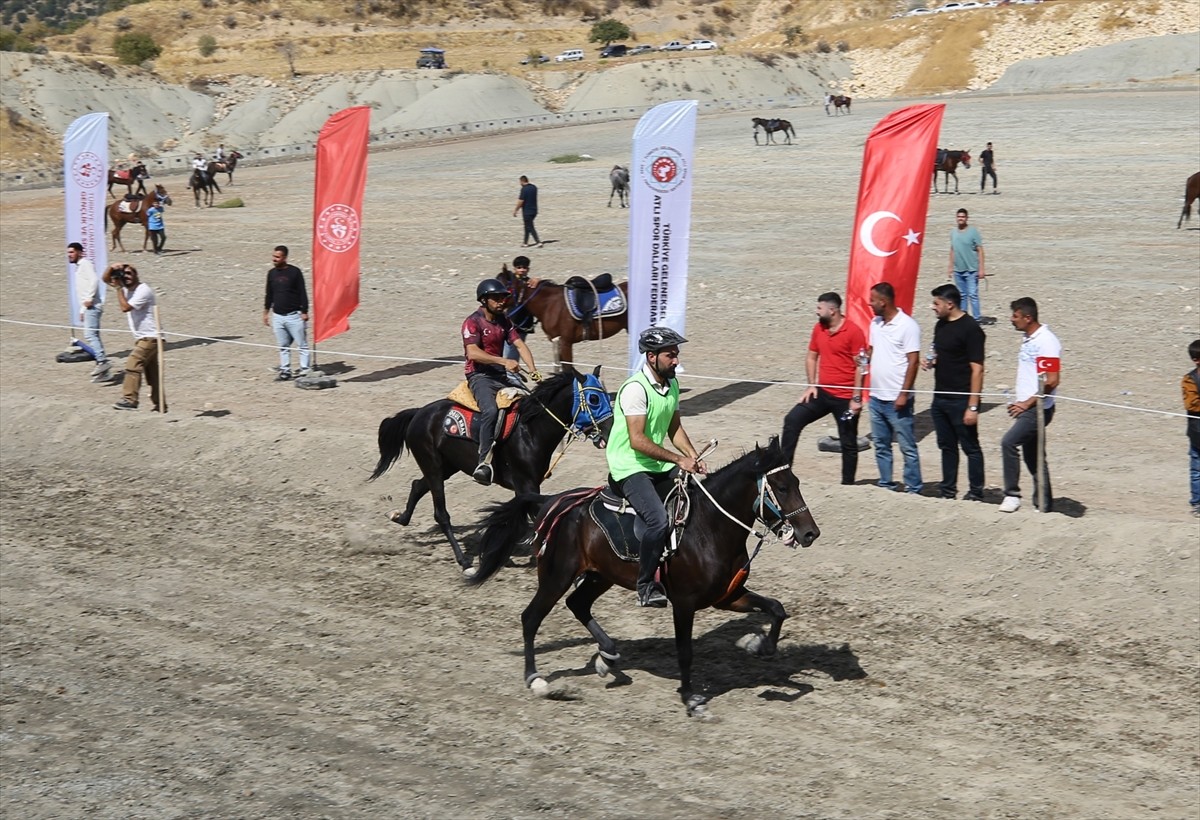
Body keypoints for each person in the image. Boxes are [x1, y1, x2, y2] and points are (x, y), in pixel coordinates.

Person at [606, 327, 707, 607]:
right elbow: (637, 440)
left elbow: (674, 428)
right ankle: (646, 586)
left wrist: (693, 457)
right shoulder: (635, 390)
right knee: (658, 520)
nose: (676, 361)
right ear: (651, 357)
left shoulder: (671, 385)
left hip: (656, 464)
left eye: (676, 355)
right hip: (629, 467)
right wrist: (677, 460)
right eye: (670, 355)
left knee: (699, 495)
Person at [781, 291, 867, 485]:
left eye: (819, 308)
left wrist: (856, 397)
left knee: (848, 441)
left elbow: (861, 366)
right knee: (792, 420)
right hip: (822, 392)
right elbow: (812, 356)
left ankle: (848, 485)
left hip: (845, 397)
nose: (816, 312)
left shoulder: (854, 332)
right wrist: (811, 385)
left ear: (832, 310)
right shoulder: (819, 329)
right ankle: (784, 473)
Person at [462, 278, 540, 486]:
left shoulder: (504, 321)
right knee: (490, 411)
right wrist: (503, 360)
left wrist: (533, 371)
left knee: (530, 405)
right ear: (484, 300)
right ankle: (483, 462)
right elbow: (473, 352)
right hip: (480, 376)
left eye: (503, 298)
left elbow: (520, 345)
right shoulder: (472, 322)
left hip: (500, 375)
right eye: (496, 298)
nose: (501, 302)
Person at [999, 297, 1062, 513]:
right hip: (1028, 406)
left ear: (1028, 317)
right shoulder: (1029, 338)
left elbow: (1052, 380)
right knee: (1034, 456)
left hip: (1037, 409)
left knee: (1008, 443)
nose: (1011, 320)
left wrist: (1026, 403)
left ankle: (1012, 495)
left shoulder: (1046, 341)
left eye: (1015, 316)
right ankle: (1043, 504)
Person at [924, 283, 986, 501]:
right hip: (940, 397)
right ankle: (948, 491)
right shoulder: (940, 325)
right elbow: (940, 350)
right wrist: (932, 361)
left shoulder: (971, 329)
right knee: (947, 447)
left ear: (950, 304)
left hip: (961, 399)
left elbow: (977, 370)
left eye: (936, 303)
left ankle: (976, 493)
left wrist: (973, 406)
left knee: (971, 447)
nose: (933, 307)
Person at [866, 282, 923, 494]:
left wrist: (904, 394)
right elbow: (873, 351)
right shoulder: (875, 323)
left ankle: (914, 488)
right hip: (876, 396)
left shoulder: (908, 326)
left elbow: (913, 361)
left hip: (897, 399)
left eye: (872, 300)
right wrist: (864, 358)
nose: (869, 303)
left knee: (907, 446)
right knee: (881, 445)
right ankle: (886, 485)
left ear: (883, 301)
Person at [104, 262, 164, 412]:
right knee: (153, 375)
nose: (127, 277)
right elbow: (105, 279)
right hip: (143, 337)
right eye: (124, 275)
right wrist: (112, 268)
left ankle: (130, 399)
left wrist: (118, 288)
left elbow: (125, 308)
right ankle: (160, 406)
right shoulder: (126, 288)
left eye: (130, 274)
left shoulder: (143, 290)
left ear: (136, 275)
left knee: (133, 363)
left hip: (151, 337)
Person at [262, 245, 310, 381]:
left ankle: (305, 369)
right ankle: (285, 370)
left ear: (285, 258)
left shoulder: (295, 272)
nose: (274, 259)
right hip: (278, 316)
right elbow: (269, 294)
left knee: (302, 345)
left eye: (277, 257)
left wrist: (304, 311)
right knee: (283, 345)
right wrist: (266, 312)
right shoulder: (271, 273)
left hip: (294, 315)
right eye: (273, 256)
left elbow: (302, 292)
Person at [69, 242, 109, 380]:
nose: (70, 255)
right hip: (88, 307)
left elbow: (94, 280)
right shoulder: (79, 267)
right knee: (94, 335)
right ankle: (104, 373)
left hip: (92, 306)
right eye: (68, 253)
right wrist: (82, 309)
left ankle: (102, 362)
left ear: (80, 252)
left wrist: (89, 299)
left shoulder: (85, 263)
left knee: (90, 335)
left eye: (72, 252)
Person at [500, 255, 539, 386]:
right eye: (519, 267)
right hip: (509, 325)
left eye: (524, 268)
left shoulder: (530, 284)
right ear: (514, 268)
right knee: (509, 355)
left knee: (515, 353)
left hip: (523, 326)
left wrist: (538, 280)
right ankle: (512, 380)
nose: (522, 270)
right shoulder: (508, 281)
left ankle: (512, 378)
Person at [948, 208, 991, 324]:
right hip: (958, 270)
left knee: (973, 294)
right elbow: (952, 250)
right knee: (961, 295)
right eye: (958, 217)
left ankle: (977, 318)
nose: (960, 219)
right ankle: (963, 318)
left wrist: (981, 269)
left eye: (963, 217)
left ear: (967, 218)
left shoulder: (973, 232)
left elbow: (980, 250)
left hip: (971, 270)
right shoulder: (953, 233)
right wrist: (950, 267)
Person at [1182, 339, 1200, 517]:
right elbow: (1192, 404)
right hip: (1198, 433)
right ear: (1196, 360)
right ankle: (1197, 503)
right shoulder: (1190, 380)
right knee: (1197, 470)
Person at [513, 174, 541, 248]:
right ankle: (525, 242)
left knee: (530, 227)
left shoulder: (524, 189)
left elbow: (521, 201)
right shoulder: (534, 187)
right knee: (527, 226)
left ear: (522, 181)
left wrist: (516, 210)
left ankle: (538, 242)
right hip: (534, 210)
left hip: (527, 211)